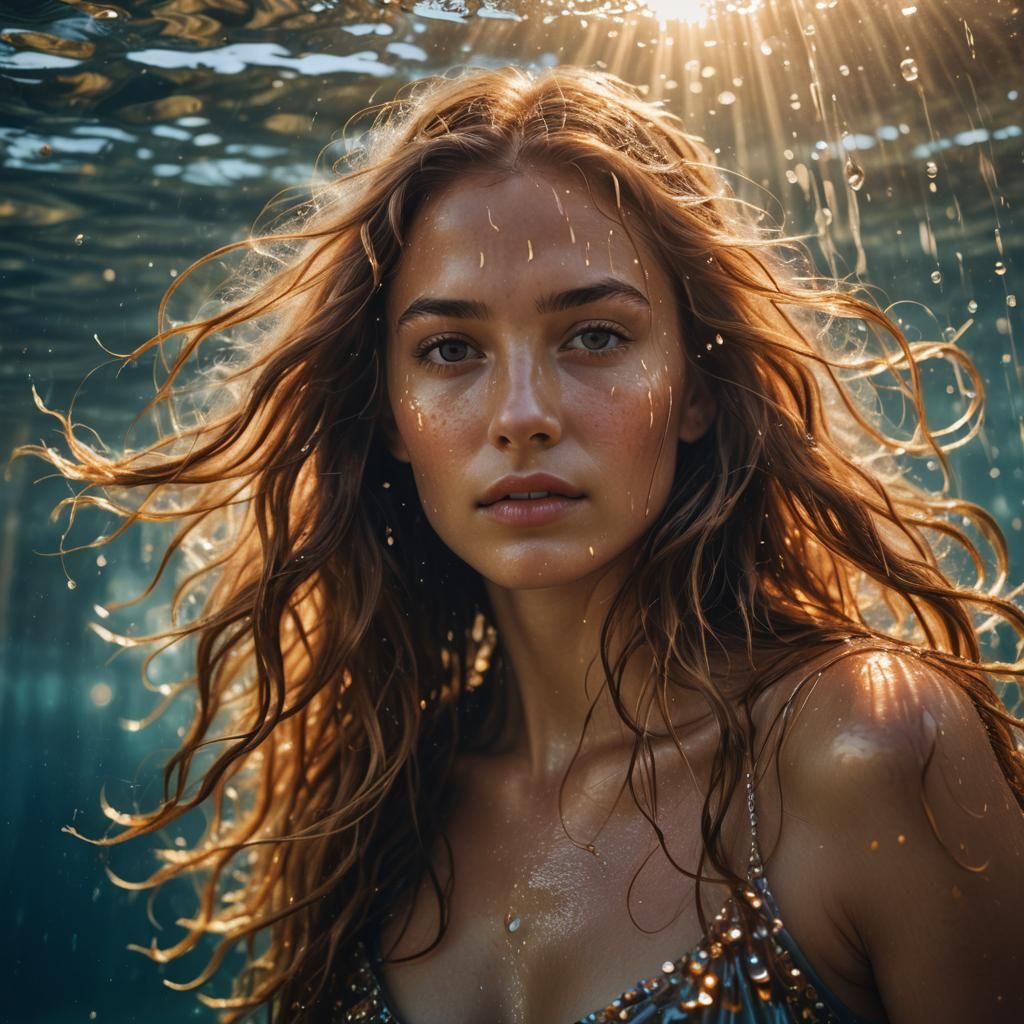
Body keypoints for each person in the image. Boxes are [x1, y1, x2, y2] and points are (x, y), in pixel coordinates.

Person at [21, 65, 1024, 1024]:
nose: (522, 414)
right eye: (450, 349)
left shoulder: (866, 748)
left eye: (593, 335)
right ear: (388, 418)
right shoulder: (376, 802)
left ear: (699, 389)